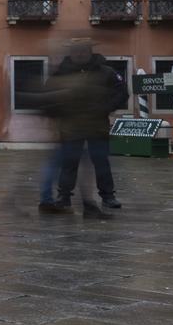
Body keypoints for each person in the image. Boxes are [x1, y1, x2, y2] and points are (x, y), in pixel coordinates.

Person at [44, 39, 127, 218]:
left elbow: (122, 93)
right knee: (69, 163)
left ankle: (108, 196)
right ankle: (63, 197)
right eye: (76, 50)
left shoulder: (106, 72)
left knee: (101, 162)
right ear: (71, 52)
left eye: (83, 50)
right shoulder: (60, 73)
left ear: (89, 51)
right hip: (70, 126)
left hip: (97, 126)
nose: (80, 53)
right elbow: (48, 95)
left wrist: (106, 107)